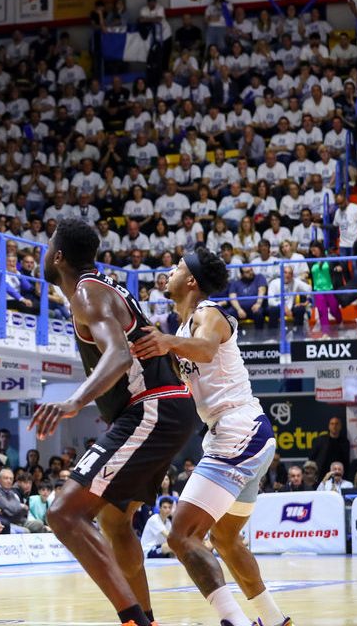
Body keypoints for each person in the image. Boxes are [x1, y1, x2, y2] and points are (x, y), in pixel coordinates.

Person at [28, 218, 198, 626]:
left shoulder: (87, 293)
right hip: (164, 407)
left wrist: (74, 400)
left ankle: (133, 621)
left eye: (49, 246)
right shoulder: (100, 288)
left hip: (152, 407)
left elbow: (119, 355)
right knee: (114, 521)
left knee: (63, 513)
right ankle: (149, 619)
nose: (45, 253)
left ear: (59, 256)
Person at [130, 248, 292, 626]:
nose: (169, 270)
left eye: (178, 266)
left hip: (239, 430)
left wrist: (165, 342)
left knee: (181, 535)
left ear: (191, 280)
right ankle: (274, 620)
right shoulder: (183, 326)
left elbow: (204, 350)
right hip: (242, 436)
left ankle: (232, 621)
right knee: (225, 539)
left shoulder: (209, 312)